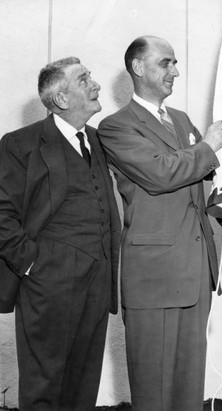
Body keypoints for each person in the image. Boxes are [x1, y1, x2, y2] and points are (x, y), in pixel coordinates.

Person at [97, 35, 222, 411]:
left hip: (195, 271)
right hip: (155, 276)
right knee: (155, 391)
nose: (175, 71)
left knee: (188, 388)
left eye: (175, 62)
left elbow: (206, 179)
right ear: (138, 68)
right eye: (165, 63)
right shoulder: (116, 127)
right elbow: (161, 173)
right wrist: (207, 146)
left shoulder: (181, 120)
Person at [0, 57, 121, 410]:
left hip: (97, 286)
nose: (96, 85)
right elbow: (2, 213)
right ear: (63, 100)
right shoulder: (20, 143)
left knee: (83, 386)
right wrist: (33, 266)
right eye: (85, 80)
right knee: (45, 389)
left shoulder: (97, 141)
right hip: (47, 287)